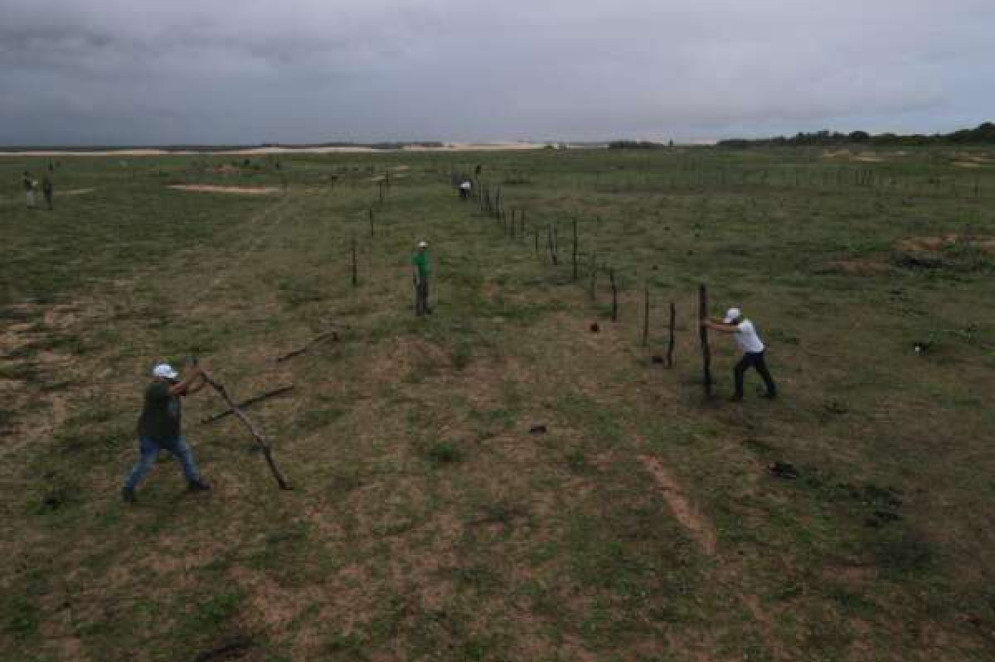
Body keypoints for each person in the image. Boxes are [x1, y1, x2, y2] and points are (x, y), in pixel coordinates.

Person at [122, 363, 211, 502]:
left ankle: (193, 481)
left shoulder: (171, 385)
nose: (170, 379)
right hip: (152, 436)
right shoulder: (154, 389)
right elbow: (178, 389)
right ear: (158, 377)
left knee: (185, 454)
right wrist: (195, 373)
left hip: (171, 435)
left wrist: (204, 382)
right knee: (145, 463)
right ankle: (128, 488)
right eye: (167, 378)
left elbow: (187, 391)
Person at [701, 307, 777, 401]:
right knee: (762, 370)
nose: (729, 321)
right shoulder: (737, 321)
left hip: (754, 352)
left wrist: (709, 325)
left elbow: (727, 329)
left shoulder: (745, 325)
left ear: (737, 318)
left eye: (731, 320)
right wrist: (710, 318)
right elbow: (724, 322)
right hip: (758, 350)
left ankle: (738, 395)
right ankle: (772, 391)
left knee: (738, 370)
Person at [411, 240, 432, 316]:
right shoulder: (416, 257)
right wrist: (418, 279)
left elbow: (426, 264)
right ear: (419, 248)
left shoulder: (425, 255)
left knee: (425, 293)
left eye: (425, 247)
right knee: (419, 294)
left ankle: (425, 307)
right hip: (419, 278)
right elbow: (415, 269)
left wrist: (427, 273)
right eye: (422, 247)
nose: (423, 249)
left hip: (425, 277)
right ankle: (418, 311)